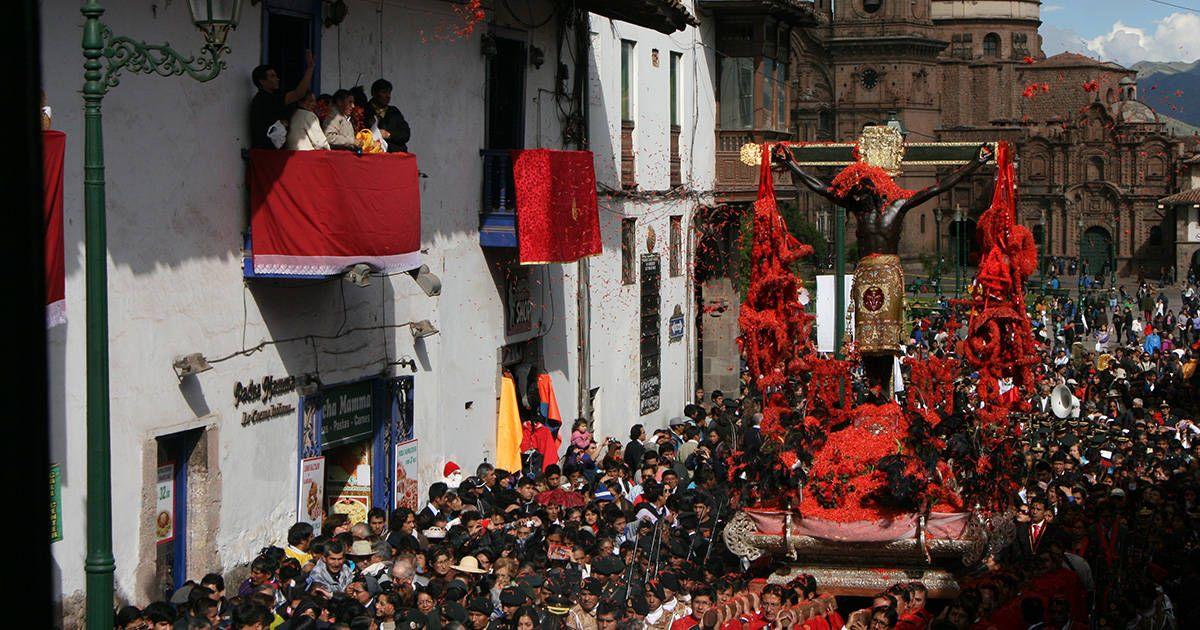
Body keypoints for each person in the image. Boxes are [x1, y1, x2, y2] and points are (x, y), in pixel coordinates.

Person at [249, 51, 314, 149]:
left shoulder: (272, 96)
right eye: (272, 76)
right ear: (262, 81)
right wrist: (310, 68)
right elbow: (299, 93)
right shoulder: (264, 99)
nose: (277, 79)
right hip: (266, 150)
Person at [368, 79, 411, 152]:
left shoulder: (394, 111)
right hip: (371, 153)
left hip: (394, 153)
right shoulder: (365, 110)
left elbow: (405, 134)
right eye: (384, 92)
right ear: (374, 93)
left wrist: (389, 135)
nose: (388, 96)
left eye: (389, 93)